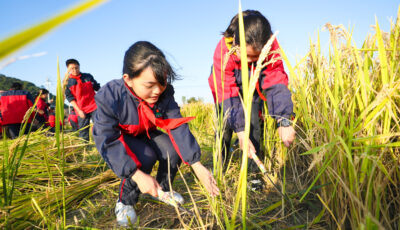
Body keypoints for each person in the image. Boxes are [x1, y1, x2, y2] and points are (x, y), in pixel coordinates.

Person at [93, 41, 219, 226]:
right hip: (122, 137)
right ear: (128, 79)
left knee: (171, 151)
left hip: (147, 131)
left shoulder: (164, 94)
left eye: (162, 82)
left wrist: (196, 163)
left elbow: (176, 125)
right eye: (150, 85)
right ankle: (125, 201)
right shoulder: (110, 96)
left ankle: (162, 190)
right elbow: (106, 138)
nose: (157, 90)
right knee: (145, 157)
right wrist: (136, 174)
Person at [208, 10, 296, 166]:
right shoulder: (223, 51)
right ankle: (218, 169)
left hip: (253, 86)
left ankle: (254, 174)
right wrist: (241, 132)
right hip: (226, 92)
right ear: (236, 42)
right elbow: (227, 91)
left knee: (254, 124)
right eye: (246, 56)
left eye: (255, 57)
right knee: (225, 124)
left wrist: (283, 121)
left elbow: (275, 79)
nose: (249, 61)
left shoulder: (270, 45)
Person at [64, 58, 100, 141]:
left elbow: (97, 87)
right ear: (68, 69)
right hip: (81, 109)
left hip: (94, 106)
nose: (75, 70)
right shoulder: (67, 82)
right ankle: (85, 149)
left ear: (79, 67)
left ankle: (101, 146)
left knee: (99, 126)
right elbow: (70, 98)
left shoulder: (88, 76)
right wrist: (79, 110)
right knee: (83, 131)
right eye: (72, 68)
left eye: (76, 68)